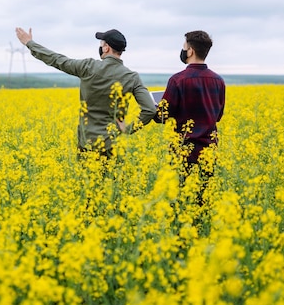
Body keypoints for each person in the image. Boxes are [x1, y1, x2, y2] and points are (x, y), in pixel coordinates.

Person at [15, 27, 156, 158]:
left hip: (87, 142)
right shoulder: (132, 77)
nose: (100, 47)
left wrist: (30, 43)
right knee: (112, 183)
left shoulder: (88, 67)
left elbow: (57, 60)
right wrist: (128, 129)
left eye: (102, 44)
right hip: (113, 144)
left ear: (106, 48)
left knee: (88, 183)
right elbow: (150, 109)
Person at [154, 30, 226, 197]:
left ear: (190, 51)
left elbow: (162, 116)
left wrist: (154, 109)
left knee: (180, 199)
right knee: (203, 200)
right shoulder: (219, 81)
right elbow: (218, 116)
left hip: (182, 150)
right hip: (208, 150)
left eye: (184, 47)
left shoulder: (177, 80)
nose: (183, 50)